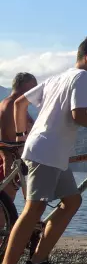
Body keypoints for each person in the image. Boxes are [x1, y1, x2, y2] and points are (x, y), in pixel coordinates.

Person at [0, 36, 87, 264]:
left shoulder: (58, 77)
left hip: (53, 153)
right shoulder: (82, 77)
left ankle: (37, 262)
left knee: (72, 201)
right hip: (45, 152)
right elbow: (79, 115)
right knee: (34, 209)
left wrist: (23, 138)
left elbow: (20, 104)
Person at [0, 73, 37, 201]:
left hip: (13, 160)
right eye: (33, 87)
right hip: (11, 161)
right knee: (6, 204)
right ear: (24, 86)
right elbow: (10, 139)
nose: (35, 92)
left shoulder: (15, 105)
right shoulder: (11, 105)